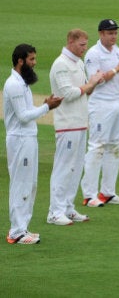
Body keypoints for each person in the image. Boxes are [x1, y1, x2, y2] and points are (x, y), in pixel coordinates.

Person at [4, 44, 63, 244]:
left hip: (27, 138)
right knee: (21, 183)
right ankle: (16, 231)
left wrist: (44, 104)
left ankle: (23, 228)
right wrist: (47, 106)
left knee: (30, 183)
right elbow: (22, 116)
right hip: (20, 139)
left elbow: (27, 112)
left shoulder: (22, 83)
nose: (35, 63)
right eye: (31, 60)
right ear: (20, 61)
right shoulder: (13, 84)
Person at [48, 29, 104, 226]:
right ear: (71, 42)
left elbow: (84, 92)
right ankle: (55, 212)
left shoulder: (78, 63)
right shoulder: (61, 64)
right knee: (63, 168)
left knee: (75, 168)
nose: (84, 49)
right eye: (81, 45)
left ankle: (68, 208)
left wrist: (94, 83)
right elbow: (68, 94)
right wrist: (91, 84)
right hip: (67, 125)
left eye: (86, 45)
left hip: (80, 123)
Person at [81, 19, 119, 207]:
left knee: (115, 146)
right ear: (101, 34)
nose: (113, 36)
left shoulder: (118, 50)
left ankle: (108, 192)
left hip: (116, 102)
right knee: (97, 146)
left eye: (115, 32)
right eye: (110, 33)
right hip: (100, 104)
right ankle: (89, 195)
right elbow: (96, 80)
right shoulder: (93, 54)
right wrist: (117, 68)